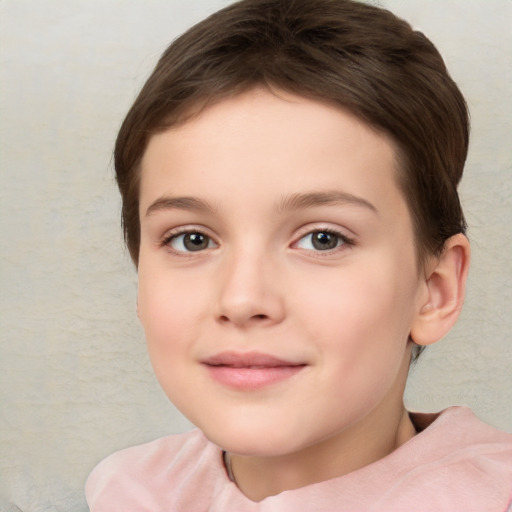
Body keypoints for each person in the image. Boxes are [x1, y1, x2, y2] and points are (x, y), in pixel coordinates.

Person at [85, 0, 512, 510]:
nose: (242, 300)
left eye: (322, 239)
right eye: (192, 239)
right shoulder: (128, 491)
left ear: (435, 291)